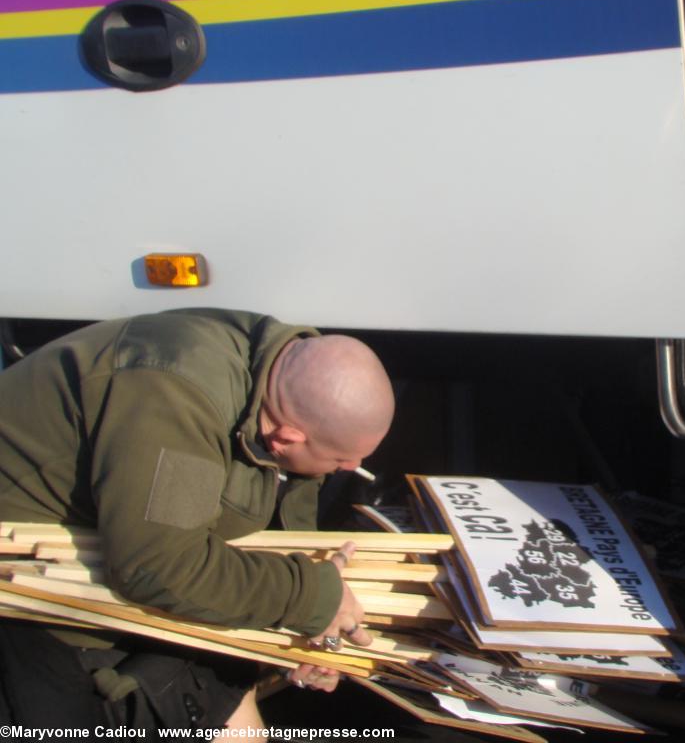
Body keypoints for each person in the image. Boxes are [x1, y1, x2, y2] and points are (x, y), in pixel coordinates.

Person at [0, 309, 395, 736]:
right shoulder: (177, 401)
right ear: (285, 438)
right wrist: (306, 597)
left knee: (240, 721)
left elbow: (287, 509)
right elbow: (161, 566)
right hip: (28, 578)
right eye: (341, 460)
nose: (353, 468)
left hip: (109, 547)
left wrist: (307, 631)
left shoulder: (282, 368)